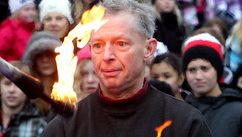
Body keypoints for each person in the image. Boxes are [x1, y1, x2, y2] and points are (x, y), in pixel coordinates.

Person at [41, 0, 212, 136]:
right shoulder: (64, 128)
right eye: (98, 45)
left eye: (120, 43)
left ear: (148, 50)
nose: (107, 56)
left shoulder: (184, 122)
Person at [182, 33, 242, 137]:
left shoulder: (238, 111)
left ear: (218, 71)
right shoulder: (179, 111)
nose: (198, 76)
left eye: (205, 68)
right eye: (192, 70)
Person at [0, 61, 47, 136]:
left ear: (28, 90)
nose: (12, 90)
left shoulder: (39, 126)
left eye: (19, 86)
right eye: (7, 84)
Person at [21, 31, 61, 122]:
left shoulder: (69, 87)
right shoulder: (27, 90)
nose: (45, 60)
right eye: (39, 56)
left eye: (49, 54)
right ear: (33, 60)